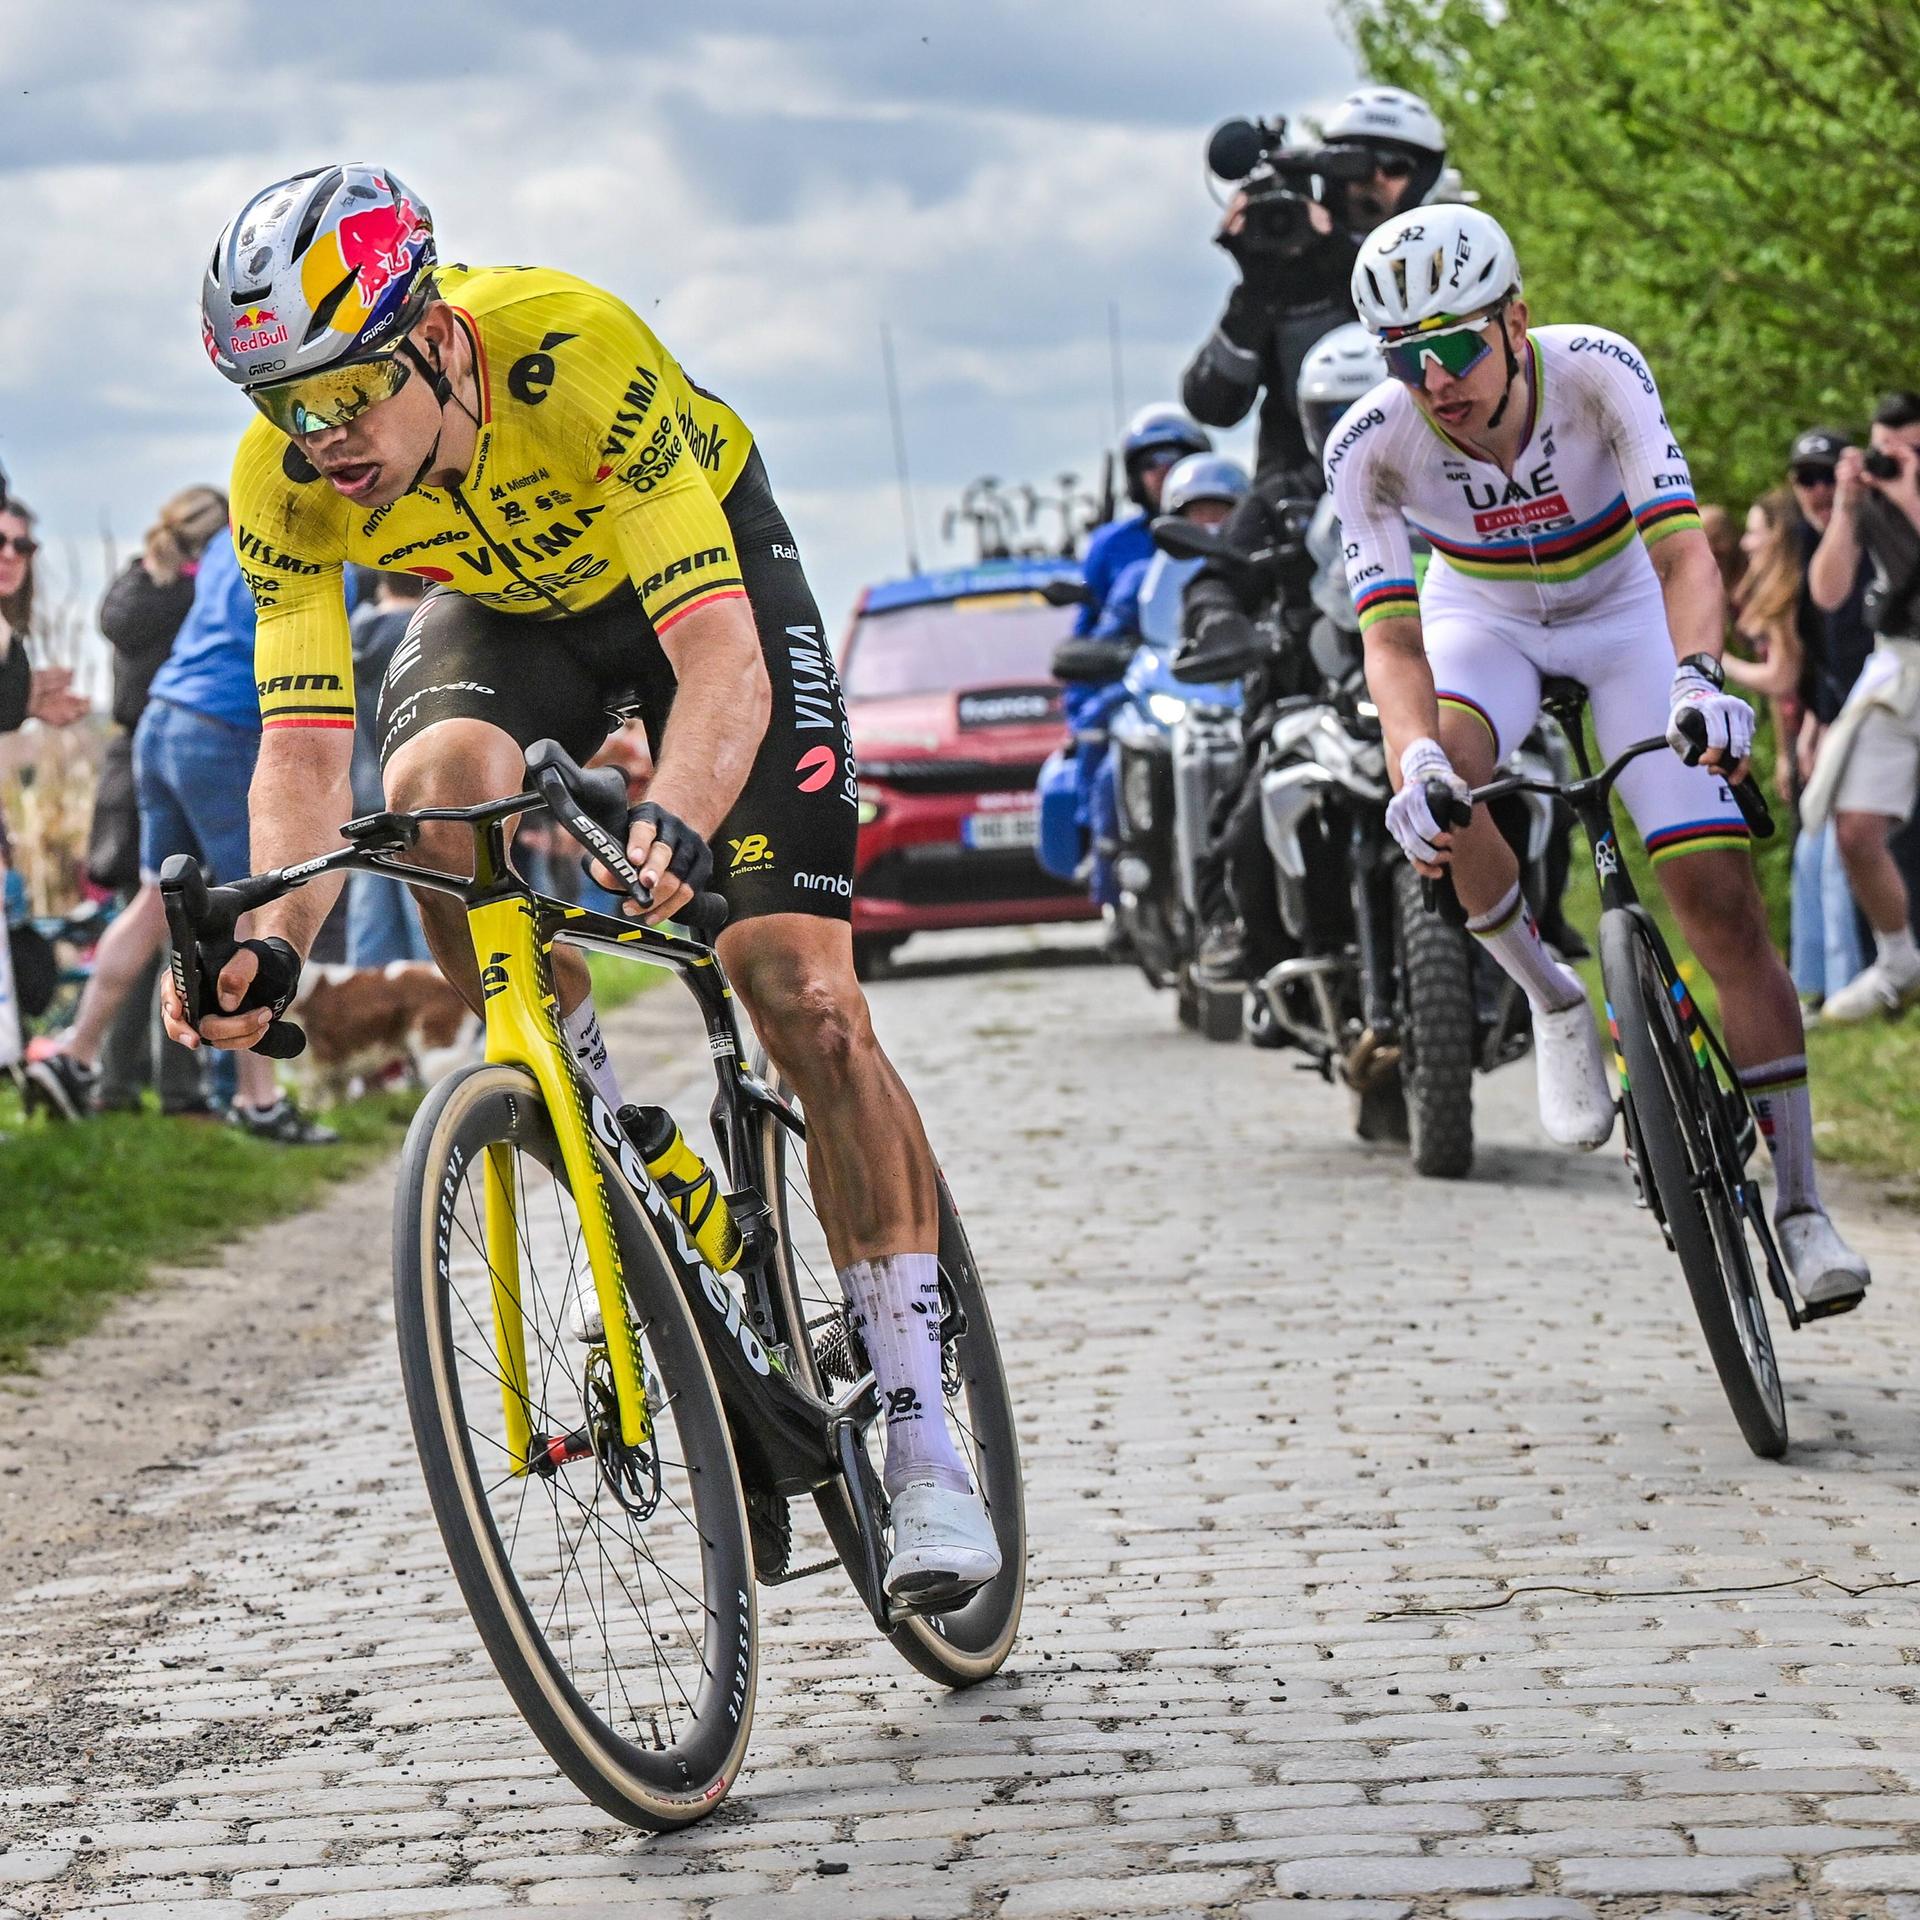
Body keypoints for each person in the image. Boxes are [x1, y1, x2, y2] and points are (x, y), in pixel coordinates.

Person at [170, 163, 998, 1598]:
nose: (321, 441)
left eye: (345, 392)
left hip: (704, 583)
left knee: (795, 986)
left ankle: (925, 1439)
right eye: (280, 406)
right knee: (426, 796)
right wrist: (276, 939)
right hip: (502, 612)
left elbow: (721, 664)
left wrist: (674, 819)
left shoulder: (570, 350)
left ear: (431, 335)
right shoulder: (289, 485)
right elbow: (304, 755)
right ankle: (583, 1103)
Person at [1330, 203, 1868, 1312]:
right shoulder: (1368, 445)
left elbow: (1684, 557)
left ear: (1515, 321)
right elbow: (1391, 641)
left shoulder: (1597, 372)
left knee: (1718, 902)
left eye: (1454, 347)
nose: (1434, 381)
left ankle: (1805, 1207)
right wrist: (1416, 758)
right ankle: (1554, 997)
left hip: (1624, 602)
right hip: (1482, 617)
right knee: (1447, 786)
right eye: (1405, 357)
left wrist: (1699, 681)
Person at [25, 521, 341, 1142]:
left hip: (163, 717)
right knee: (254, 902)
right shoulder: (336, 532)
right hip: (224, 724)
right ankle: (260, 1101)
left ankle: (75, 1055)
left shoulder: (236, 528)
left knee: (151, 902)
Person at [1183, 85, 1447, 481]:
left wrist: (1334, 257)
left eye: (1394, 165)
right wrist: (1256, 291)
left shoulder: (1444, 254)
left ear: (1422, 178)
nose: (1372, 179)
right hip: (1299, 493)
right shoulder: (1287, 265)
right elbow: (1212, 407)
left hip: (1425, 474)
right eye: (1355, 164)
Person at [87, 486, 231, 1114]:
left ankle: (113, 1083)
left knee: (141, 919)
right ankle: (183, 1086)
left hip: (132, 765)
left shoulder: (135, 586)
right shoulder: (201, 591)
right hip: (197, 756)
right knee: (186, 930)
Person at [1801, 391, 1920, 1022]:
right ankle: (1898, 958)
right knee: (1853, 828)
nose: (1898, 463)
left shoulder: (1904, 494)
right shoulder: (1868, 499)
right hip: (1900, 662)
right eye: (1886, 451)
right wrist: (1848, 509)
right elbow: (1828, 591)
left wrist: (1909, 499)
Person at [345, 570, 434, 966]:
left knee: (370, 928)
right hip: (422, 795)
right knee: (431, 914)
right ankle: (452, 1015)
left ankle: (364, 1022)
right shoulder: (430, 634)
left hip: (366, 796)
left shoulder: (349, 635)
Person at [1072, 405, 1212, 636]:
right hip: (1142, 669)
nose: (1162, 470)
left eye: (1173, 459)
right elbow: (1087, 637)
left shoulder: (1227, 533)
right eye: (1150, 462)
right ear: (1134, 476)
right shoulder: (1109, 544)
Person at [1722, 489, 1805, 803]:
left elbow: (1782, 678)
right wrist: (1785, 755)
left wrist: (1720, 659)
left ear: (1779, 537)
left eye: (1754, 533)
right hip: (1800, 734)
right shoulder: (1771, 595)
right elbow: (1781, 697)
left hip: (1820, 733)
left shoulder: (1791, 596)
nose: (1745, 543)